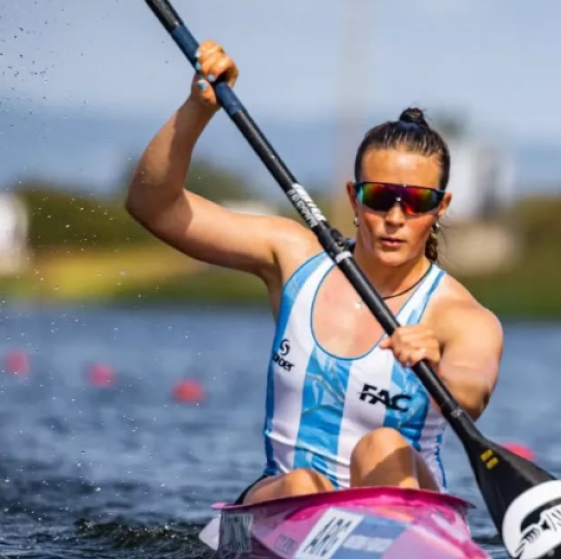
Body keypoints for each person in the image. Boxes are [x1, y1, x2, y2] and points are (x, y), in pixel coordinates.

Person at [126, 40, 504, 506]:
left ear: (441, 207)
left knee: (382, 445)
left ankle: (403, 555)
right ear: (353, 197)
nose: (395, 216)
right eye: (380, 197)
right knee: (306, 483)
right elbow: (152, 205)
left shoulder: (459, 317)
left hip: (406, 506)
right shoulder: (294, 258)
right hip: (289, 502)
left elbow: (473, 390)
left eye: (417, 201)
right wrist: (197, 109)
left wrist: (438, 369)